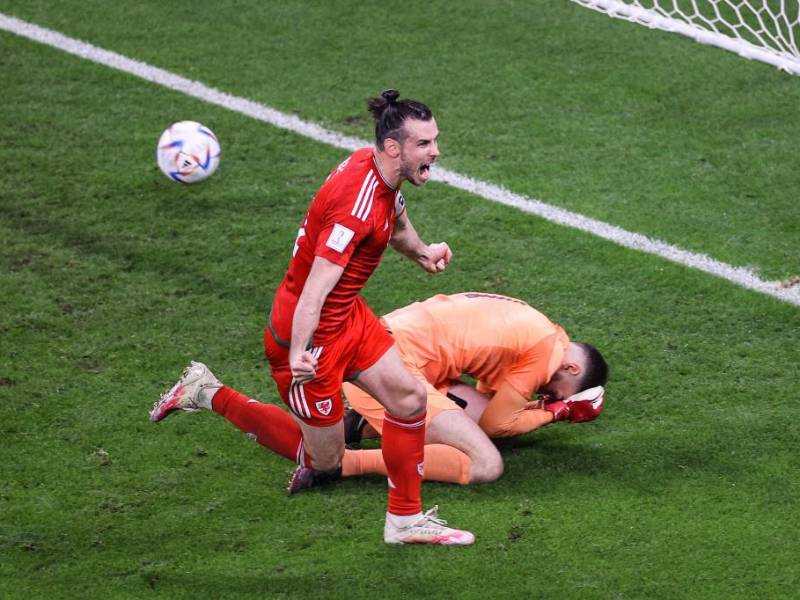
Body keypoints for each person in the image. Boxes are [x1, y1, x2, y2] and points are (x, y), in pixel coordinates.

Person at [150, 90, 473, 545]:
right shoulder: (354, 207)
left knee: (409, 402)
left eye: (434, 140)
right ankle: (206, 391)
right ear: (394, 148)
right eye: (425, 144)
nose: (435, 151)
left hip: (347, 318)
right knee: (325, 462)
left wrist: (421, 252)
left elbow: (394, 216)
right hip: (310, 335)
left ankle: (404, 521)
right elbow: (314, 289)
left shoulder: (376, 170)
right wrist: (300, 351)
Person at [289, 292, 607, 490]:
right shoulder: (545, 352)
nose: (550, 396)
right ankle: (340, 465)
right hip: (388, 368)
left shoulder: (540, 329)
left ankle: (359, 424)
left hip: (380, 350)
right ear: (572, 369)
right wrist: (555, 413)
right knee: (486, 462)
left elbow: (493, 410)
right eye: (561, 393)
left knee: (486, 432)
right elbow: (496, 424)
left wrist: (542, 410)